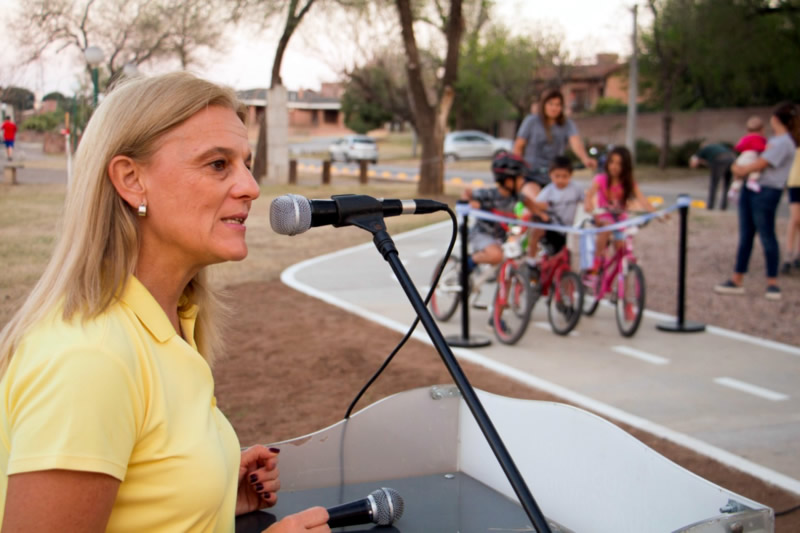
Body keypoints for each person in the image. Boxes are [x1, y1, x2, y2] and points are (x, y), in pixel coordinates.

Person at [0, 72, 329, 532]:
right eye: (218, 164)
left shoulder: (171, 321)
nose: (251, 187)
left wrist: (206, 492)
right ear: (131, 179)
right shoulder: (89, 358)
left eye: (246, 163)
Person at [715, 101, 800, 301]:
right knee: (746, 235)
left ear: (777, 119)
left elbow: (759, 165)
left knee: (767, 235)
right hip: (752, 190)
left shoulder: (783, 143)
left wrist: (739, 169)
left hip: (766, 191)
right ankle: (737, 278)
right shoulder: (774, 140)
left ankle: (772, 282)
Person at [584, 146, 657, 272]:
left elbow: (643, 200)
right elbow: (589, 195)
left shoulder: (629, 183)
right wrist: (589, 205)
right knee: (606, 228)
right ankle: (595, 261)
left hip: (621, 220)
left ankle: (622, 283)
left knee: (622, 251)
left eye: (619, 163)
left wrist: (657, 213)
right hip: (604, 217)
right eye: (612, 162)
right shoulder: (600, 179)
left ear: (626, 166)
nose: (614, 166)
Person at [513, 89, 597, 191]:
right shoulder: (531, 121)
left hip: (555, 177)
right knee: (534, 199)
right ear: (544, 105)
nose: (554, 108)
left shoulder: (567, 124)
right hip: (531, 174)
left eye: (558, 105)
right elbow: (518, 146)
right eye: (551, 104)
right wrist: (517, 170)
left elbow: (576, 143)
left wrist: (585, 159)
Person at [461, 153, 529, 271]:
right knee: (496, 256)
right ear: (508, 181)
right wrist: (469, 203)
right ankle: (468, 263)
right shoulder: (489, 194)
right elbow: (466, 194)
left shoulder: (518, 197)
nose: (523, 181)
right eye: (520, 178)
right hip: (482, 233)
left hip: (503, 236)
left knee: (515, 258)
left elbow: (536, 207)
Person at [527, 155, 584, 262]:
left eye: (564, 176)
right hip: (553, 229)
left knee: (567, 258)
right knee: (537, 230)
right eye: (557, 176)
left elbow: (586, 202)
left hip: (569, 230)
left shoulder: (576, 189)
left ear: (570, 175)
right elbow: (536, 205)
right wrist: (542, 210)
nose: (560, 180)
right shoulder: (548, 191)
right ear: (550, 175)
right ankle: (531, 260)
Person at [728, 116, 768, 199]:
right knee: (756, 170)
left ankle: (733, 190)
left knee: (738, 177)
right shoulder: (760, 138)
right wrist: (766, 148)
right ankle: (752, 181)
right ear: (762, 129)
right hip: (752, 156)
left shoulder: (745, 138)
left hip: (742, 157)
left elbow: (738, 147)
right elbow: (761, 148)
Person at [690, 142, 736, 210]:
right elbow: (709, 162)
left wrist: (693, 166)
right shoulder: (718, 146)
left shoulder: (704, 149)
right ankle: (724, 206)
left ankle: (710, 206)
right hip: (732, 159)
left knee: (714, 184)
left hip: (720, 160)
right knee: (727, 184)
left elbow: (694, 161)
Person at [782, 146, 800, 274]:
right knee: (795, 219)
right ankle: (788, 254)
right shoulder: (793, 144)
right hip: (795, 184)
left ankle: (798, 255)